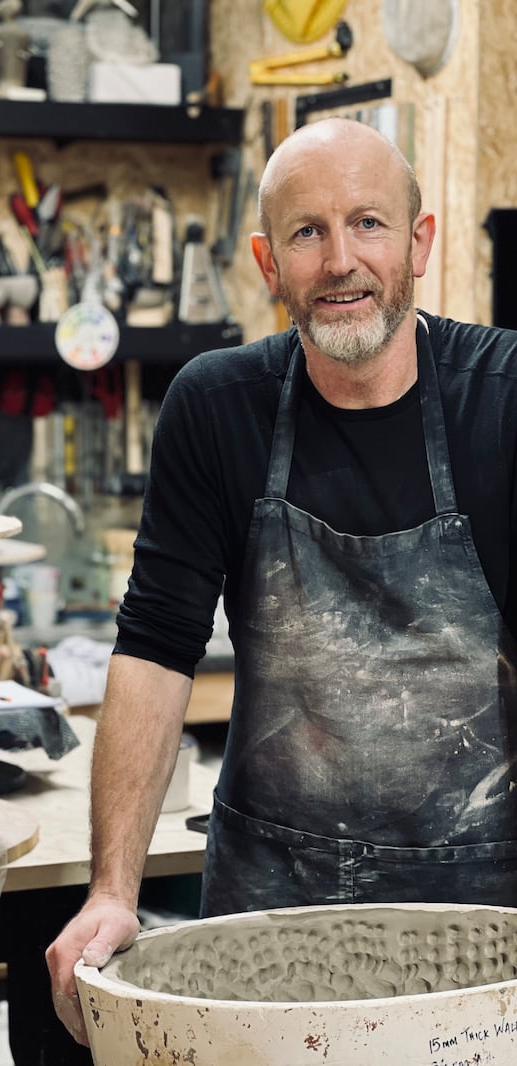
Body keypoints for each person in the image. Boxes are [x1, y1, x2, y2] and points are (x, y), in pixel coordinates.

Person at [45, 116, 517, 1046]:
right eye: (308, 232)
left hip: (480, 910)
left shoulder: (501, 396)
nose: (341, 260)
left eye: (369, 225)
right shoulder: (216, 407)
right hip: (268, 905)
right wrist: (113, 892)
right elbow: (154, 647)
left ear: (420, 240)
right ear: (269, 261)